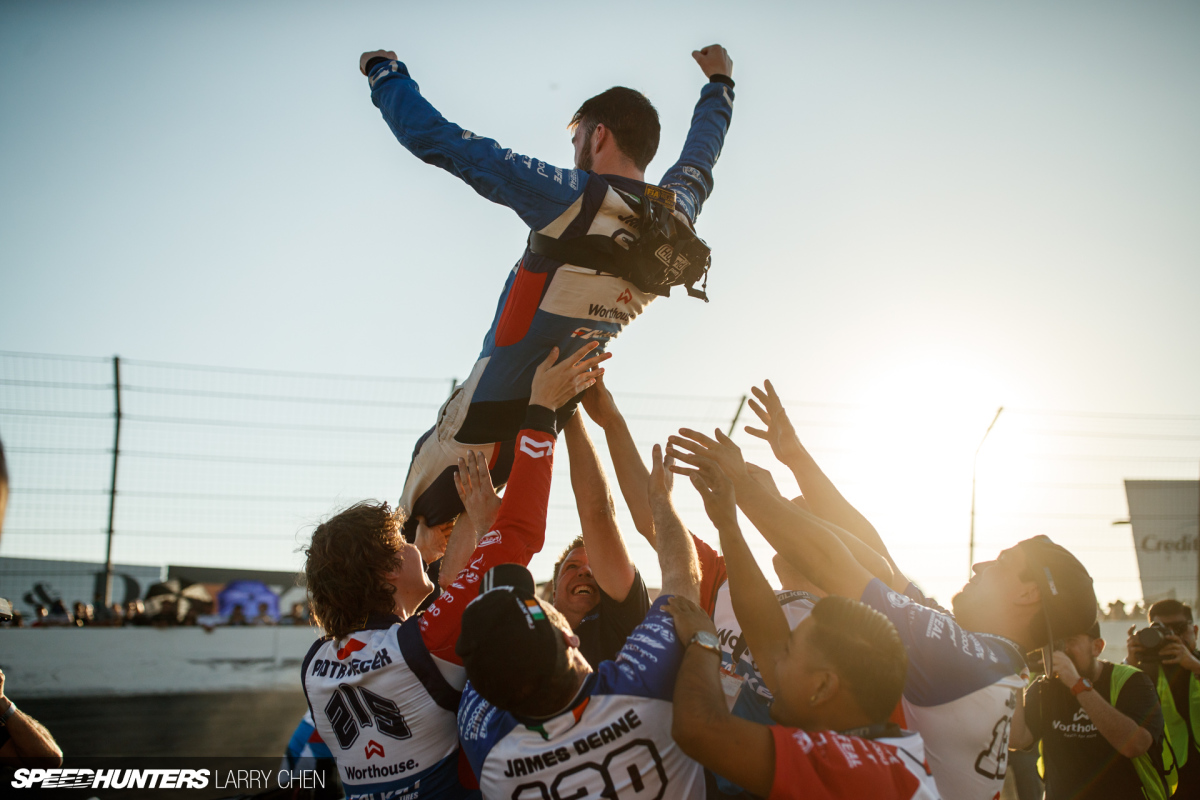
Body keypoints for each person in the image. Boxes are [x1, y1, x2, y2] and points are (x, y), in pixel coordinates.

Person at [357, 44, 737, 573]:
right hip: (541, 423)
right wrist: (719, 84)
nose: (575, 147)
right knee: (464, 551)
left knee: (406, 538)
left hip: (476, 420)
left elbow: (442, 142)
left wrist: (384, 74)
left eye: (577, 136)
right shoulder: (676, 217)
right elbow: (702, 158)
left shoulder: (573, 198)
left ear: (598, 134)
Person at [668, 380, 1099, 800]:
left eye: (1002, 564)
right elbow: (879, 560)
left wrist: (742, 486)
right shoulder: (981, 659)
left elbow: (836, 564)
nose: (979, 564)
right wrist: (795, 457)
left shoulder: (961, 659)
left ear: (1027, 596)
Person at [300, 344, 605, 800]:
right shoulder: (426, 641)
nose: (411, 545)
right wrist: (541, 412)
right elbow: (517, 534)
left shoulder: (315, 665)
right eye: (399, 544)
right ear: (384, 573)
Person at [665, 453, 939, 799]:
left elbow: (699, 728)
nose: (773, 659)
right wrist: (728, 525)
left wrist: (704, 641)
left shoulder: (853, 769)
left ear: (823, 687)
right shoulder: (886, 750)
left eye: (790, 651)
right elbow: (766, 635)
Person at [455, 443, 706, 798]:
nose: (585, 573)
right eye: (572, 567)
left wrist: (487, 528)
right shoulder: (638, 690)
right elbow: (682, 577)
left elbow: (489, 647)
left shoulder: (487, 749)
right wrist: (661, 500)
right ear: (570, 639)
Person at [1011, 621, 1168, 800]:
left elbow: (1135, 745)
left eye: (1071, 641)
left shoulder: (1131, 681)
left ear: (1097, 647)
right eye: (1057, 643)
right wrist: (1016, 680)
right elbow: (1017, 739)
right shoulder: (1045, 688)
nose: (1063, 650)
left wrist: (1076, 683)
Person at [1126, 599, 1200, 796]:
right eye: (1162, 629)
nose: (1171, 636)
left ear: (1195, 630)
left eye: (1179, 628)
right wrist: (1129, 664)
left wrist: (1194, 665)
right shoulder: (1140, 670)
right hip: (1166, 775)